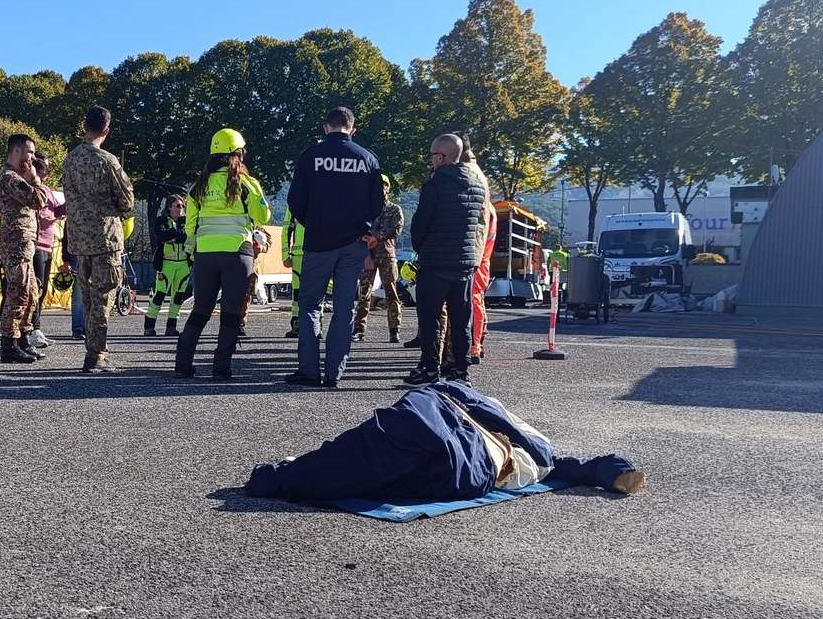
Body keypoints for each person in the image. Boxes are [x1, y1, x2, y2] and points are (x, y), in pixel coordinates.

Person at [241, 379, 646, 502]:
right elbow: (570, 468)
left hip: (457, 443)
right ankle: (289, 474)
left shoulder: (535, 447)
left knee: (378, 450)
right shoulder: (540, 452)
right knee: (374, 458)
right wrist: (609, 470)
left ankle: (284, 476)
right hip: (461, 450)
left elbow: (569, 467)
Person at [284, 107, 384, 388]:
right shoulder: (367, 159)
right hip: (353, 243)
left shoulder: (310, 156)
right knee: (344, 308)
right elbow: (377, 203)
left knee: (309, 305)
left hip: (319, 241)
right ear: (353, 129)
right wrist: (363, 228)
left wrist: (314, 223)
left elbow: (295, 201)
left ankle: (309, 370)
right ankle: (334, 373)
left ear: (325, 127)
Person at [173, 128, 271, 379]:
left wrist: (196, 247)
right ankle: (221, 367)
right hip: (237, 254)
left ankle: (182, 364)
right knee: (230, 314)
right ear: (238, 153)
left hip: (205, 255)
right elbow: (263, 216)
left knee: (200, 310)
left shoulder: (199, 186)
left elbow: (190, 226)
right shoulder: (247, 184)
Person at [402, 133, 487, 386]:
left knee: (430, 320)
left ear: (441, 157)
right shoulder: (477, 184)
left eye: (432, 155)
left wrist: (421, 248)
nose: (431, 160)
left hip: (435, 262)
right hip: (464, 263)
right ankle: (460, 371)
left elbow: (421, 224)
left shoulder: (435, 185)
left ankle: (429, 368)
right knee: (461, 322)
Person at [62, 106, 136, 372]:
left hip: (79, 239)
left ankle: (92, 349)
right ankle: (96, 355)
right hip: (105, 238)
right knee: (103, 297)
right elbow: (127, 202)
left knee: (88, 297)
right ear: (106, 130)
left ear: (85, 126)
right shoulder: (107, 160)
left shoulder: (70, 160)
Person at [0, 134, 49, 363]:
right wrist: (35, 179)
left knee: (32, 291)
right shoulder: (10, 178)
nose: (33, 158)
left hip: (24, 243)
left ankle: (24, 339)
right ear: (17, 151)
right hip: (15, 243)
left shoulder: (16, 177)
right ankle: (9, 344)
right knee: (18, 293)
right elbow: (39, 200)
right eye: (30, 152)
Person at [352, 174, 405, 343]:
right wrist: (365, 248)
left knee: (391, 293)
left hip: (387, 255)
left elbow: (396, 228)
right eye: (378, 185)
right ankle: (359, 329)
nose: (381, 188)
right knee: (364, 293)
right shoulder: (365, 210)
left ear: (388, 188)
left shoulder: (394, 209)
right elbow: (356, 229)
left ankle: (394, 330)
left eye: (384, 185)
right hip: (368, 255)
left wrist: (377, 237)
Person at [459, 144, 497, 365]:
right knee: (476, 301)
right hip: (482, 259)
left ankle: (475, 345)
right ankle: (477, 341)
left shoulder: (484, 208)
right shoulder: (489, 208)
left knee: (472, 301)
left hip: (477, 259)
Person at [29, 151, 65, 349]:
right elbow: (38, 214)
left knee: (41, 291)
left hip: (48, 245)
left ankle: (36, 328)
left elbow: (56, 210)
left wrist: (69, 204)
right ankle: (31, 330)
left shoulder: (48, 190)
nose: (48, 172)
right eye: (45, 168)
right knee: (35, 289)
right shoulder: (33, 189)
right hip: (36, 244)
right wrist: (51, 217)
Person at [144, 195, 191, 337]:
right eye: (178, 206)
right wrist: (176, 235)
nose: (181, 209)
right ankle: (149, 327)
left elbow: (188, 237)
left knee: (178, 297)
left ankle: (171, 327)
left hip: (184, 264)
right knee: (160, 295)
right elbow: (162, 236)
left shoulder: (187, 221)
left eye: (182, 206)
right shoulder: (161, 220)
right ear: (169, 207)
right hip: (166, 264)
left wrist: (174, 237)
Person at [281, 207, 306, 338]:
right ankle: (297, 322)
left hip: (314, 255)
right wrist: (285, 255)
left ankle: (313, 324)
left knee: (317, 291)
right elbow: (287, 229)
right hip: (301, 255)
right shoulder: (295, 202)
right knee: (298, 292)